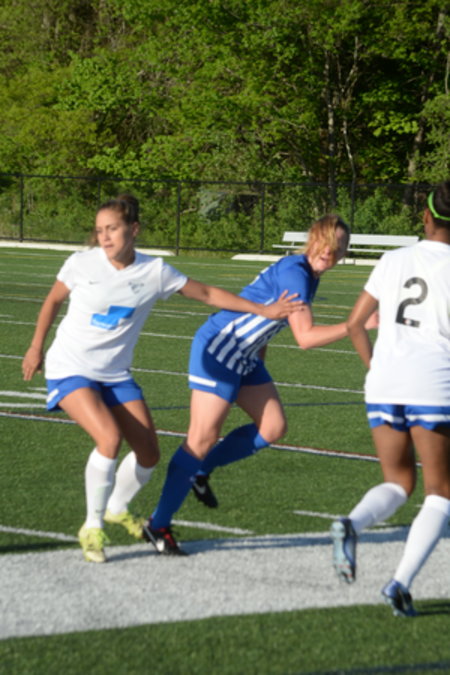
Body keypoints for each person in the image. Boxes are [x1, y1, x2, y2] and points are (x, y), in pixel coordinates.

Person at [21, 194, 302, 564]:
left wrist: (262, 309)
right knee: (109, 438)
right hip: (70, 367)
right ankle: (92, 526)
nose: (104, 237)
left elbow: (206, 293)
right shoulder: (81, 263)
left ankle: (117, 508)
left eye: (112, 229)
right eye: (100, 230)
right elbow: (53, 301)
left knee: (149, 454)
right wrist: (35, 346)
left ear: (134, 230)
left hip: (114, 374)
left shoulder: (154, 271)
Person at [143, 214, 377, 556]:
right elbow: (305, 337)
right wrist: (356, 324)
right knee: (201, 439)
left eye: (339, 246)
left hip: (245, 354)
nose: (331, 250)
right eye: (326, 241)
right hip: (221, 349)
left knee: (273, 427)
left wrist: (257, 361)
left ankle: (201, 471)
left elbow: (269, 319)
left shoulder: (305, 273)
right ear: (313, 239)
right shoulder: (297, 272)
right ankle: (158, 524)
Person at [331, 180, 450, 617]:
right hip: (434, 384)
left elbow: (354, 324)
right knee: (441, 492)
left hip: (384, 382)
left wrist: (375, 369)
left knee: (398, 482)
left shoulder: (394, 259)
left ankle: (351, 524)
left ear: (426, 216)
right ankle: (399, 584)